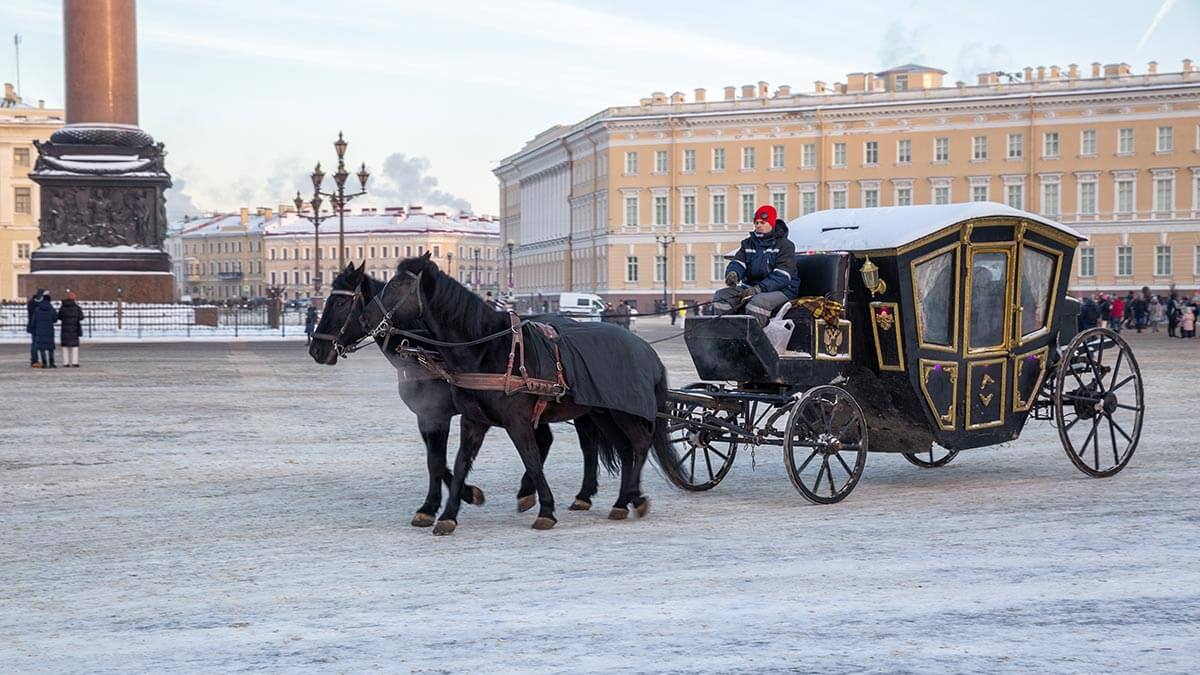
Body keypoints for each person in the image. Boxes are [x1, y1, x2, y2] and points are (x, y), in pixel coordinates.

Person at [712, 204, 800, 327]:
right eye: (756, 222)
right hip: (751, 288)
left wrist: (759, 289)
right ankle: (730, 334)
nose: (758, 225)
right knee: (721, 297)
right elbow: (738, 262)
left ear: (772, 224)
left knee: (757, 304)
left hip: (782, 290)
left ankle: (756, 341)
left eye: (763, 222)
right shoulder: (748, 243)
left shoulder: (785, 245)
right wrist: (733, 274)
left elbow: (782, 276)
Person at [32, 292, 59, 369]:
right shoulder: (51, 309)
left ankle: (44, 363)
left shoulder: (37, 309)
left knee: (42, 348)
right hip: (49, 330)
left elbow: (34, 321)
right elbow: (55, 319)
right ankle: (51, 362)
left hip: (40, 330)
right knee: (50, 347)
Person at [58, 291, 85, 367]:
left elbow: (59, 316)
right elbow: (81, 317)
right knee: (75, 346)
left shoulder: (63, 307)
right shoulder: (77, 308)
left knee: (65, 347)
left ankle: (65, 363)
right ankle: (75, 362)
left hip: (65, 329)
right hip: (74, 328)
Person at [26, 288, 45, 367]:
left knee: (34, 343)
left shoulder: (31, 302)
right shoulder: (39, 304)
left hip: (33, 325)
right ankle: (36, 360)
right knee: (37, 344)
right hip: (37, 326)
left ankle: (34, 360)